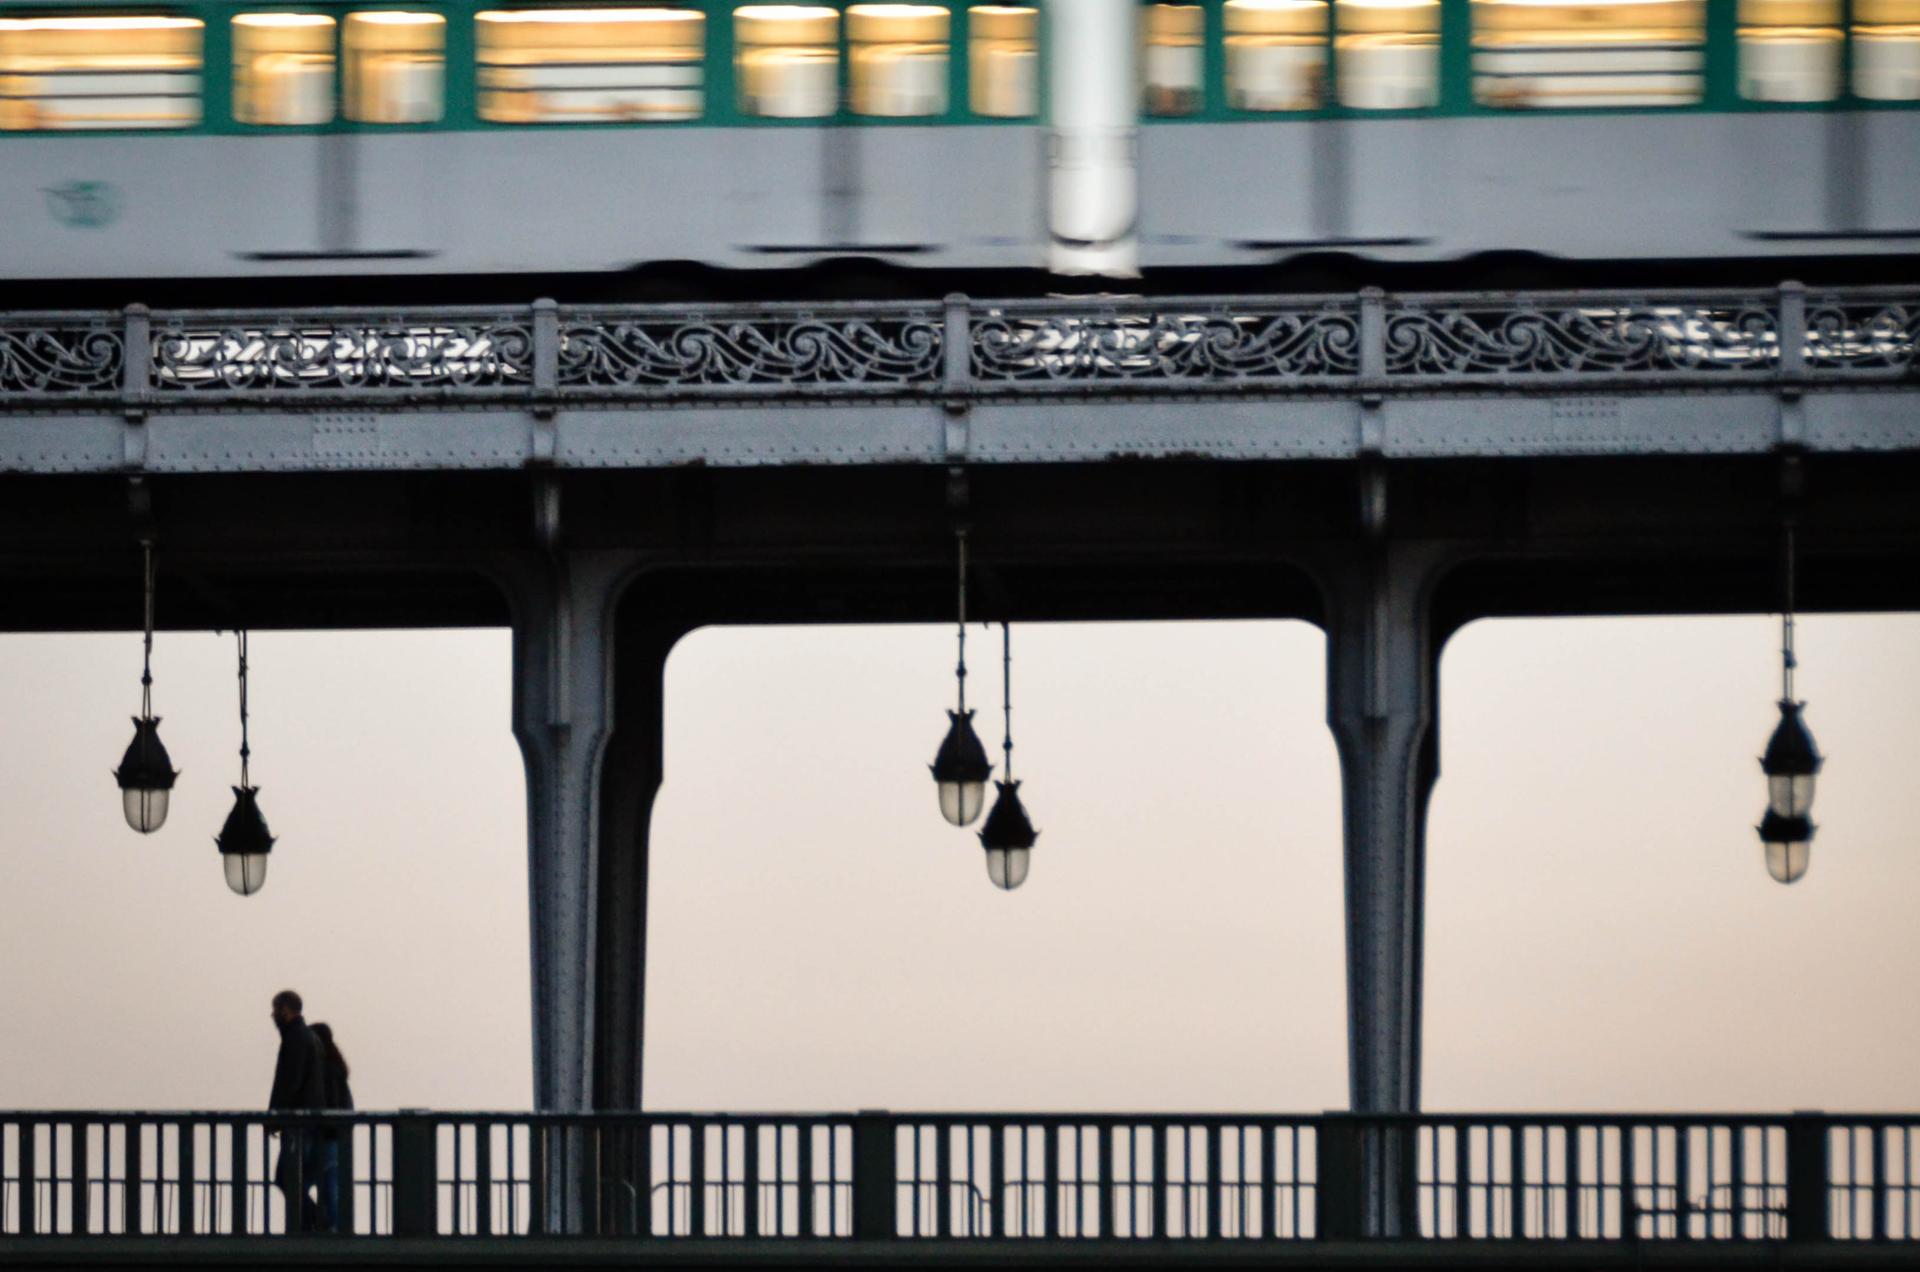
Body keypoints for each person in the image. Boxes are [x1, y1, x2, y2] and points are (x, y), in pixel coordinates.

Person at [267, 989, 328, 1232]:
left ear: (287, 1009)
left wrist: (276, 1117)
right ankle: (307, 1222)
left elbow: (289, 1082)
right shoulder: (308, 1037)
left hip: (299, 1123)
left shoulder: (295, 1038)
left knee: (286, 1176)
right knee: (295, 1177)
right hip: (310, 1122)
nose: (273, 1015)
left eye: (276, 1009)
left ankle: (313, 1218)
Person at [310, 1022, 355, 1233]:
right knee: (331, 1184)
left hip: (328, 1135)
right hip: (337, 1136)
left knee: (328, 1185)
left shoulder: (326, 1070)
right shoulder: (337, 1067)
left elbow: (330, 1103)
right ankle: (333, 1226)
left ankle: (331, 1226)